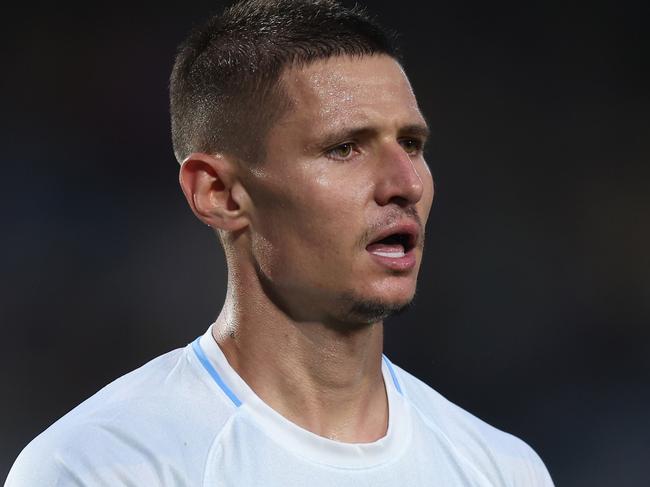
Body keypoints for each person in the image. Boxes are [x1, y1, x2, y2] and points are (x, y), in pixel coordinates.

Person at [6, 0, 554, 485]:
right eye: (344, 147)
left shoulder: (504, 469)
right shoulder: (97, 468)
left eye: (411, 143)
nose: (406, 184)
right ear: (219, 193)